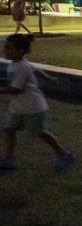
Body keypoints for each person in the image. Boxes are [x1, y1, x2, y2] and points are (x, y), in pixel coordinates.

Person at [1, 33, 75, 172]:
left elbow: (16, 89)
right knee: (9, 130)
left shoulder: (22, 67)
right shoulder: (17, 64)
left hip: (33, 107)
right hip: (17, 107)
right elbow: (35, 70)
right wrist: (49, 78)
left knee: (39, 132)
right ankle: (7, 159)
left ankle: (63, 154)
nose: (5, 50)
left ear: (20, 51)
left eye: (9, 48)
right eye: (5, 47)